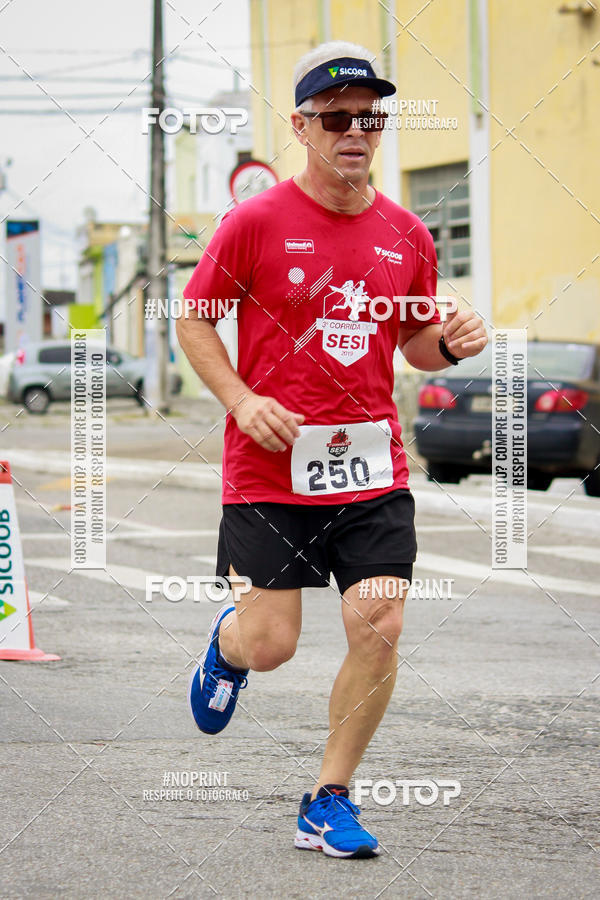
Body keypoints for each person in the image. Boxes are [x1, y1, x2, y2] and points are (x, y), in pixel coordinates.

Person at [177, 40, 487, 859]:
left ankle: (328, 798)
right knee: (273, 643)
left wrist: (450, 345)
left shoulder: (407, 235)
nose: (356, 131)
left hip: (370, 469)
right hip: (268, 469)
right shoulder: (255, 223)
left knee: (379, 622)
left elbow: (413, 344)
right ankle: (228, 647)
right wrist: (241, 400)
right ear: (303, 126)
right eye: (337, 117)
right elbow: (193, 316)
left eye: (370, 117)